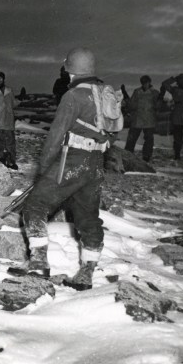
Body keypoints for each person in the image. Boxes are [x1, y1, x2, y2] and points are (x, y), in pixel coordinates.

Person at [21, 48, 113, 290]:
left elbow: (56, 134)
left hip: (72, 160)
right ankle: (87, 272)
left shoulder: (72, 96)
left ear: (71, 69)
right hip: (96, 164)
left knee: (35, 206)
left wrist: (43, 168)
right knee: (88, 218)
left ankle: (39, 263)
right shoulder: (103, 93)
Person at [123, 75, 160, 163]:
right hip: (137, 119)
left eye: (146, 82)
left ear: (149, 82)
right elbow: (131, 105)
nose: (144, 84)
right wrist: (124, 94)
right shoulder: (137, 92)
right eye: (143, 82)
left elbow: (158, 106)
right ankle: (128, 154)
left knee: (149, 139)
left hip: (149, 120)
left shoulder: (155, 93)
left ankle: (146, 157)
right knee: (131, 138)